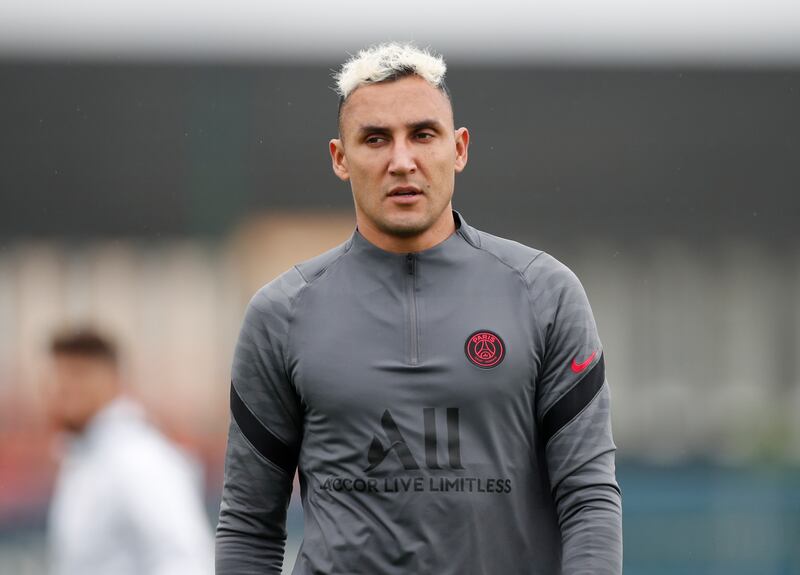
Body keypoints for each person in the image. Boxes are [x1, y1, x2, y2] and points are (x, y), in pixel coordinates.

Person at [216, 42, 622, 574]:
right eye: (376, 139)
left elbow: (589, 499)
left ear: (459, 148)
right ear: (340, 158)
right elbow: (248, 523)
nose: (401, 160)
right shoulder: (281, 314)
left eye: (422, 134)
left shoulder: (543, 293)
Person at [45, 327, 214, 575]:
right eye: (57, 376)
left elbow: (187, 562)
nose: (63, 389)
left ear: (113, 380)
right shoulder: (85, 459)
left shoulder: (139, 459)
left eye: (77, 375)